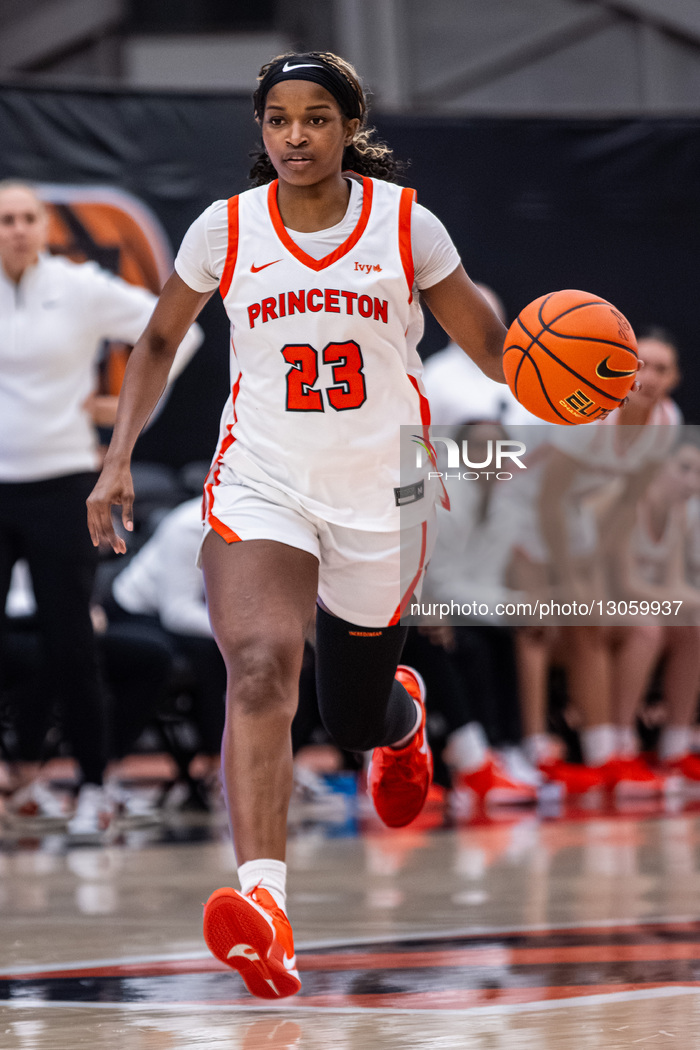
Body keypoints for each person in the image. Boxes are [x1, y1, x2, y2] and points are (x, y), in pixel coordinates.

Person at [86, 51, 506, 1000]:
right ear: (262, 129)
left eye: (316, 117)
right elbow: (158, 340)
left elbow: (487, 346)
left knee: (350, 717)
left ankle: (400, 716)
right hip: (262, 479)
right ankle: (265, 908)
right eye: (278, 119)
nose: (296, 136)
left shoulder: (407, 224)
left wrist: (561, 381)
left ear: (350, 127)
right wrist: (118, 459)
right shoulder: (226, 227)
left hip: (385, 489)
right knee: (261, 665)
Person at [0, 180, 202, 836]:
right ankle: (21, 775)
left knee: (72, 642)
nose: (17, 229)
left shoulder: (80, 287)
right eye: (5, 219)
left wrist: (121, 409)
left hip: (63, 481)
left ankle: (93, 785)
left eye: (27, 217)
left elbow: (177, 333)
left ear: (44, 226)